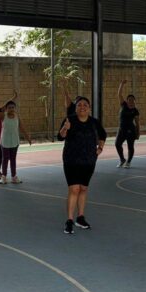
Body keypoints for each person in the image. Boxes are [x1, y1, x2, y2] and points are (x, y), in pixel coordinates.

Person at [58, 96, 107, 234]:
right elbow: (60, 137)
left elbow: (103, 135)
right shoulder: (69, 120)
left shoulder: (94, 122)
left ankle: (80, 217)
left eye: (85, 105)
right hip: (71, 160)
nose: (82, 107)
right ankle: (69, 220)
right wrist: (65, 128)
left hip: (89, 161)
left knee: (83, 188)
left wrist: (100, 148)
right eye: (79, 105)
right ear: (75, 108)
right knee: (74, 189)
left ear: (89, 108)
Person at [0, 98, 32, 185]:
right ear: (6, 109)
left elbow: (22, 128)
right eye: (9, 107)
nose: (11, 109)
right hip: (5, 141)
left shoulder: (17, 117)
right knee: (5, 159)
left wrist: (28, 138)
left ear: (15, 108)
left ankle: (14, 177)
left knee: (13, 159)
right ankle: (3, 177)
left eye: (13, 107)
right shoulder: (3, 116)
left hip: (14, 141)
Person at [115, 80, 140, 168]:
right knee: (117, 144)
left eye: (133, 100)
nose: (131, 101)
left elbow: (137, 123)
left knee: (130, 147)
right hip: (121, 130)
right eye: (129, 100)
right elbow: (119, 94)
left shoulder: (135, 111)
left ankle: (128, 162)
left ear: (135, 101)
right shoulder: (123, 105)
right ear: (127, 100)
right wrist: (121, 84)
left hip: (131, 131)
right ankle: (122, 159)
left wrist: (138, 133)